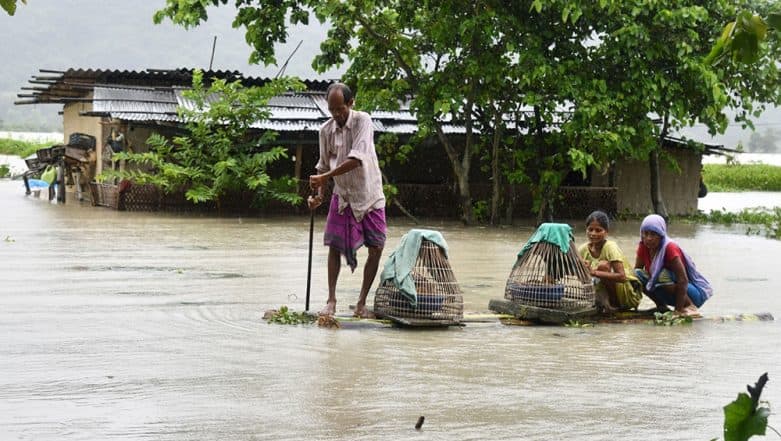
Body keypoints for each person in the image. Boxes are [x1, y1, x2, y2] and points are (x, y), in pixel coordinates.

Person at [307, 82, 386, 318]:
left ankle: (361, 304)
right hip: (343, 196)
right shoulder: (326, 131)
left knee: (377, 247)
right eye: (332, 110)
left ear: (351, 104)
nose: (337, 115)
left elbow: (356, 158)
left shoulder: (363, 121)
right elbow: (322, 165)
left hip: (368, 193)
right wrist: (318, 196)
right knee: (334, 246)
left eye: (340, 109)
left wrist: (325, 177)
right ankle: (331, 300)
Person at [634, 214, 713, 317]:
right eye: (646, 234)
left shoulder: (669, 248)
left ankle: (689, 306)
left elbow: (683, 280)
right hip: (668, 293)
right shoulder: (643, 246)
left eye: (653, 234)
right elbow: (637, 270)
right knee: (637, 275)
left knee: (661, 274)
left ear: (661, 235)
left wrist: (678, 311)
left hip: (690, 294)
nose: (648, 238)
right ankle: (661, 306)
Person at [578, 210, 642, 312]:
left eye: (598, 230)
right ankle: (599, 303)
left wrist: (594, 272)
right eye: (590, 229)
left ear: (606, 232)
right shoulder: (583, 249)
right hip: (600, 292)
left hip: (626, 294)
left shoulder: (610, 247)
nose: (593, 234)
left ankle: (613, 305)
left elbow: (622, 277)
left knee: (603, 266)